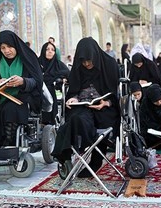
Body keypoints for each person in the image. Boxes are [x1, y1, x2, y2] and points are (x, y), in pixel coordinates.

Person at [51, 37, 121, 177]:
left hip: (105, 107)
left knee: (99, 120)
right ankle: (69, 155)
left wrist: (106, 103)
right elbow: (74, 90)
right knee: (76, 119)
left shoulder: (109, 64)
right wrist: (73, 98)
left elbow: (116, 94)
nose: (87, 64)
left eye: (89, 60)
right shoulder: (78, 68)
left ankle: (94, 157)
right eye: (83, 61)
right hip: (83, 106)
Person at [38, 41, 70, 125]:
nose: (50, 51)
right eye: (47, 49)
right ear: (43, 51)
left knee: (48, 88)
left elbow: (68, 74)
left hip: (50, 92)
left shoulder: (58, 64)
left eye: (52, 49)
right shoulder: (37, 63)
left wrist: (63, 78)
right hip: (37, 91)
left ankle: (49, 121)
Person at [139, 84, 161, 149]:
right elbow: (144, 120)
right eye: (155, 101)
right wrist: (159, 127)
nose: (159, 103)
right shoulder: (146, 104)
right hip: (153, 131)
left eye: (160, 100)